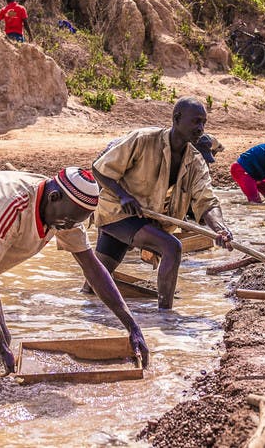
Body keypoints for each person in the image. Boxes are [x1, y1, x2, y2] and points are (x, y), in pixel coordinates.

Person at [0, 167, 149, 374]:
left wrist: (131, 326)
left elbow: (92, 269)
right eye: (66, 221)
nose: (68, 228)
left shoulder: (68, 212)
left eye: (75, 223)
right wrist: (0, 345)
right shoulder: (12, 204)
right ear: (53, 198)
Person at [87, 97, 233, 309]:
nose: (201, 128)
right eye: (196, 122)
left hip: (145, 220)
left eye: (204, 123)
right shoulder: (143, 139)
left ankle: (84, 314)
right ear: (176, 119)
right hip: (116, 213)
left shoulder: (195, 160)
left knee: (95, 283)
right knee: (172, 247)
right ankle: (166, 315)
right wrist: (123, 195)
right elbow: (100, 169)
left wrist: (220, 228)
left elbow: (207, 201)